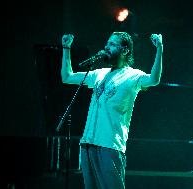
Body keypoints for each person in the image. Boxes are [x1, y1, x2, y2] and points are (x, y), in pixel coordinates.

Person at [61, 31, 163, 189]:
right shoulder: (99, 74)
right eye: (107, 43)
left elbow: (154, 80)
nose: (106, 47)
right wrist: (66, 48)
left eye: (112, 44)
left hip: (110, 145)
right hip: (88, 143)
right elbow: (67, 77)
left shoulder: (132, 75)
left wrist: (159, 49)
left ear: (125, 50)